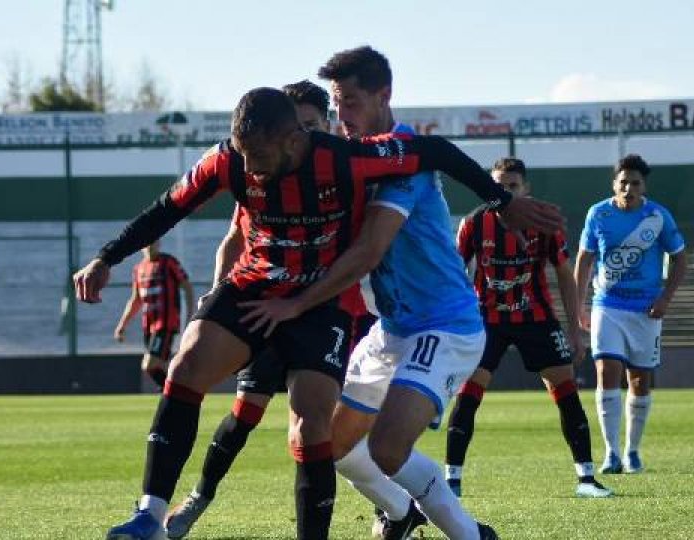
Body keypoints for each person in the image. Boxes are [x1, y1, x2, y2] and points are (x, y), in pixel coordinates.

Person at [75, 86, 560, 540]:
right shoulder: (229, 161)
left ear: (294, 139)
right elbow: (168, 207)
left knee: (312, 425)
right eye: (244, 155)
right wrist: (106, 258)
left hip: (318, 303)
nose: (253, 168)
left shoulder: (342, 159)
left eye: (261, 156)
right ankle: (150, 515)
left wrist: (500, 201)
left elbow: (433, 154)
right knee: (184, 369)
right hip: (256, 285)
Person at [238, 46, 535, 540]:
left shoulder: (402, 159)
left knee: (388, 447)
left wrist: (295, 304)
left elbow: (369, 251)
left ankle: (472, 535)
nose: (343, 117)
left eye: (351, 102)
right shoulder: (349, 160)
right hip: (395, 329)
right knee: (329, 443)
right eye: (337, 106)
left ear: (384, 95)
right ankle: (400, 512)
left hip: (445, 324)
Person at [164, 80, 372, 540]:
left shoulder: (347, 170)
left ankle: (395, 505)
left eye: (310, 125)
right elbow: (235, 239)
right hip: (265, 307)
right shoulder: (264, 172)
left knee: (332, 428)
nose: (301, 135)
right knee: (244, 413)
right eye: (295, 125)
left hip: (336, 313)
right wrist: (218, 297)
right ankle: (198, 497)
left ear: (326, 126)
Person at [443, 157, 612, 499]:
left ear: (526, 188)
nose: (504, 192)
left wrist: (574, 327)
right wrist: (453, 321)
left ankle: (587, 480)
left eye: (512, 186)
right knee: (468, 397)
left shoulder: (544, 222)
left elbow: (565, 274)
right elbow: (450, 272)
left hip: (536, 318)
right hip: (487, 321)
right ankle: (452, 483)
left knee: (566, 393)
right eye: (498, 186)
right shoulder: (474, 223)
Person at [574, 153, 687, 475]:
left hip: (646, 311)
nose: (628, 188)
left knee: (639, 380)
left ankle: (632, 451)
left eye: (635, 183)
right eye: (623, 182)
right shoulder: (598, 214)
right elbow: (584, 261)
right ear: (614, 184)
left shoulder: (657, 216)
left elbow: (681, 260)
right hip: (607, 305)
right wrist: (579, 305)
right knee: (605, 371)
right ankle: (610, 453)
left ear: (643, 186)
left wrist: (665, 298)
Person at [113, 239, 194, 389]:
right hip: (148, 325)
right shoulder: (139, 268)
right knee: (161, 366)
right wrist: (122, 325)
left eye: (153, 242)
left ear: (159, 244)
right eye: (147, 243)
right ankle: (176, 393)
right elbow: (136, 299)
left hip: (165, 323)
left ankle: (173, 393)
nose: (150, 246)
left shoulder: (168, 262)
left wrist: (190, 314)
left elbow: (187, 286)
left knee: (149, 365)